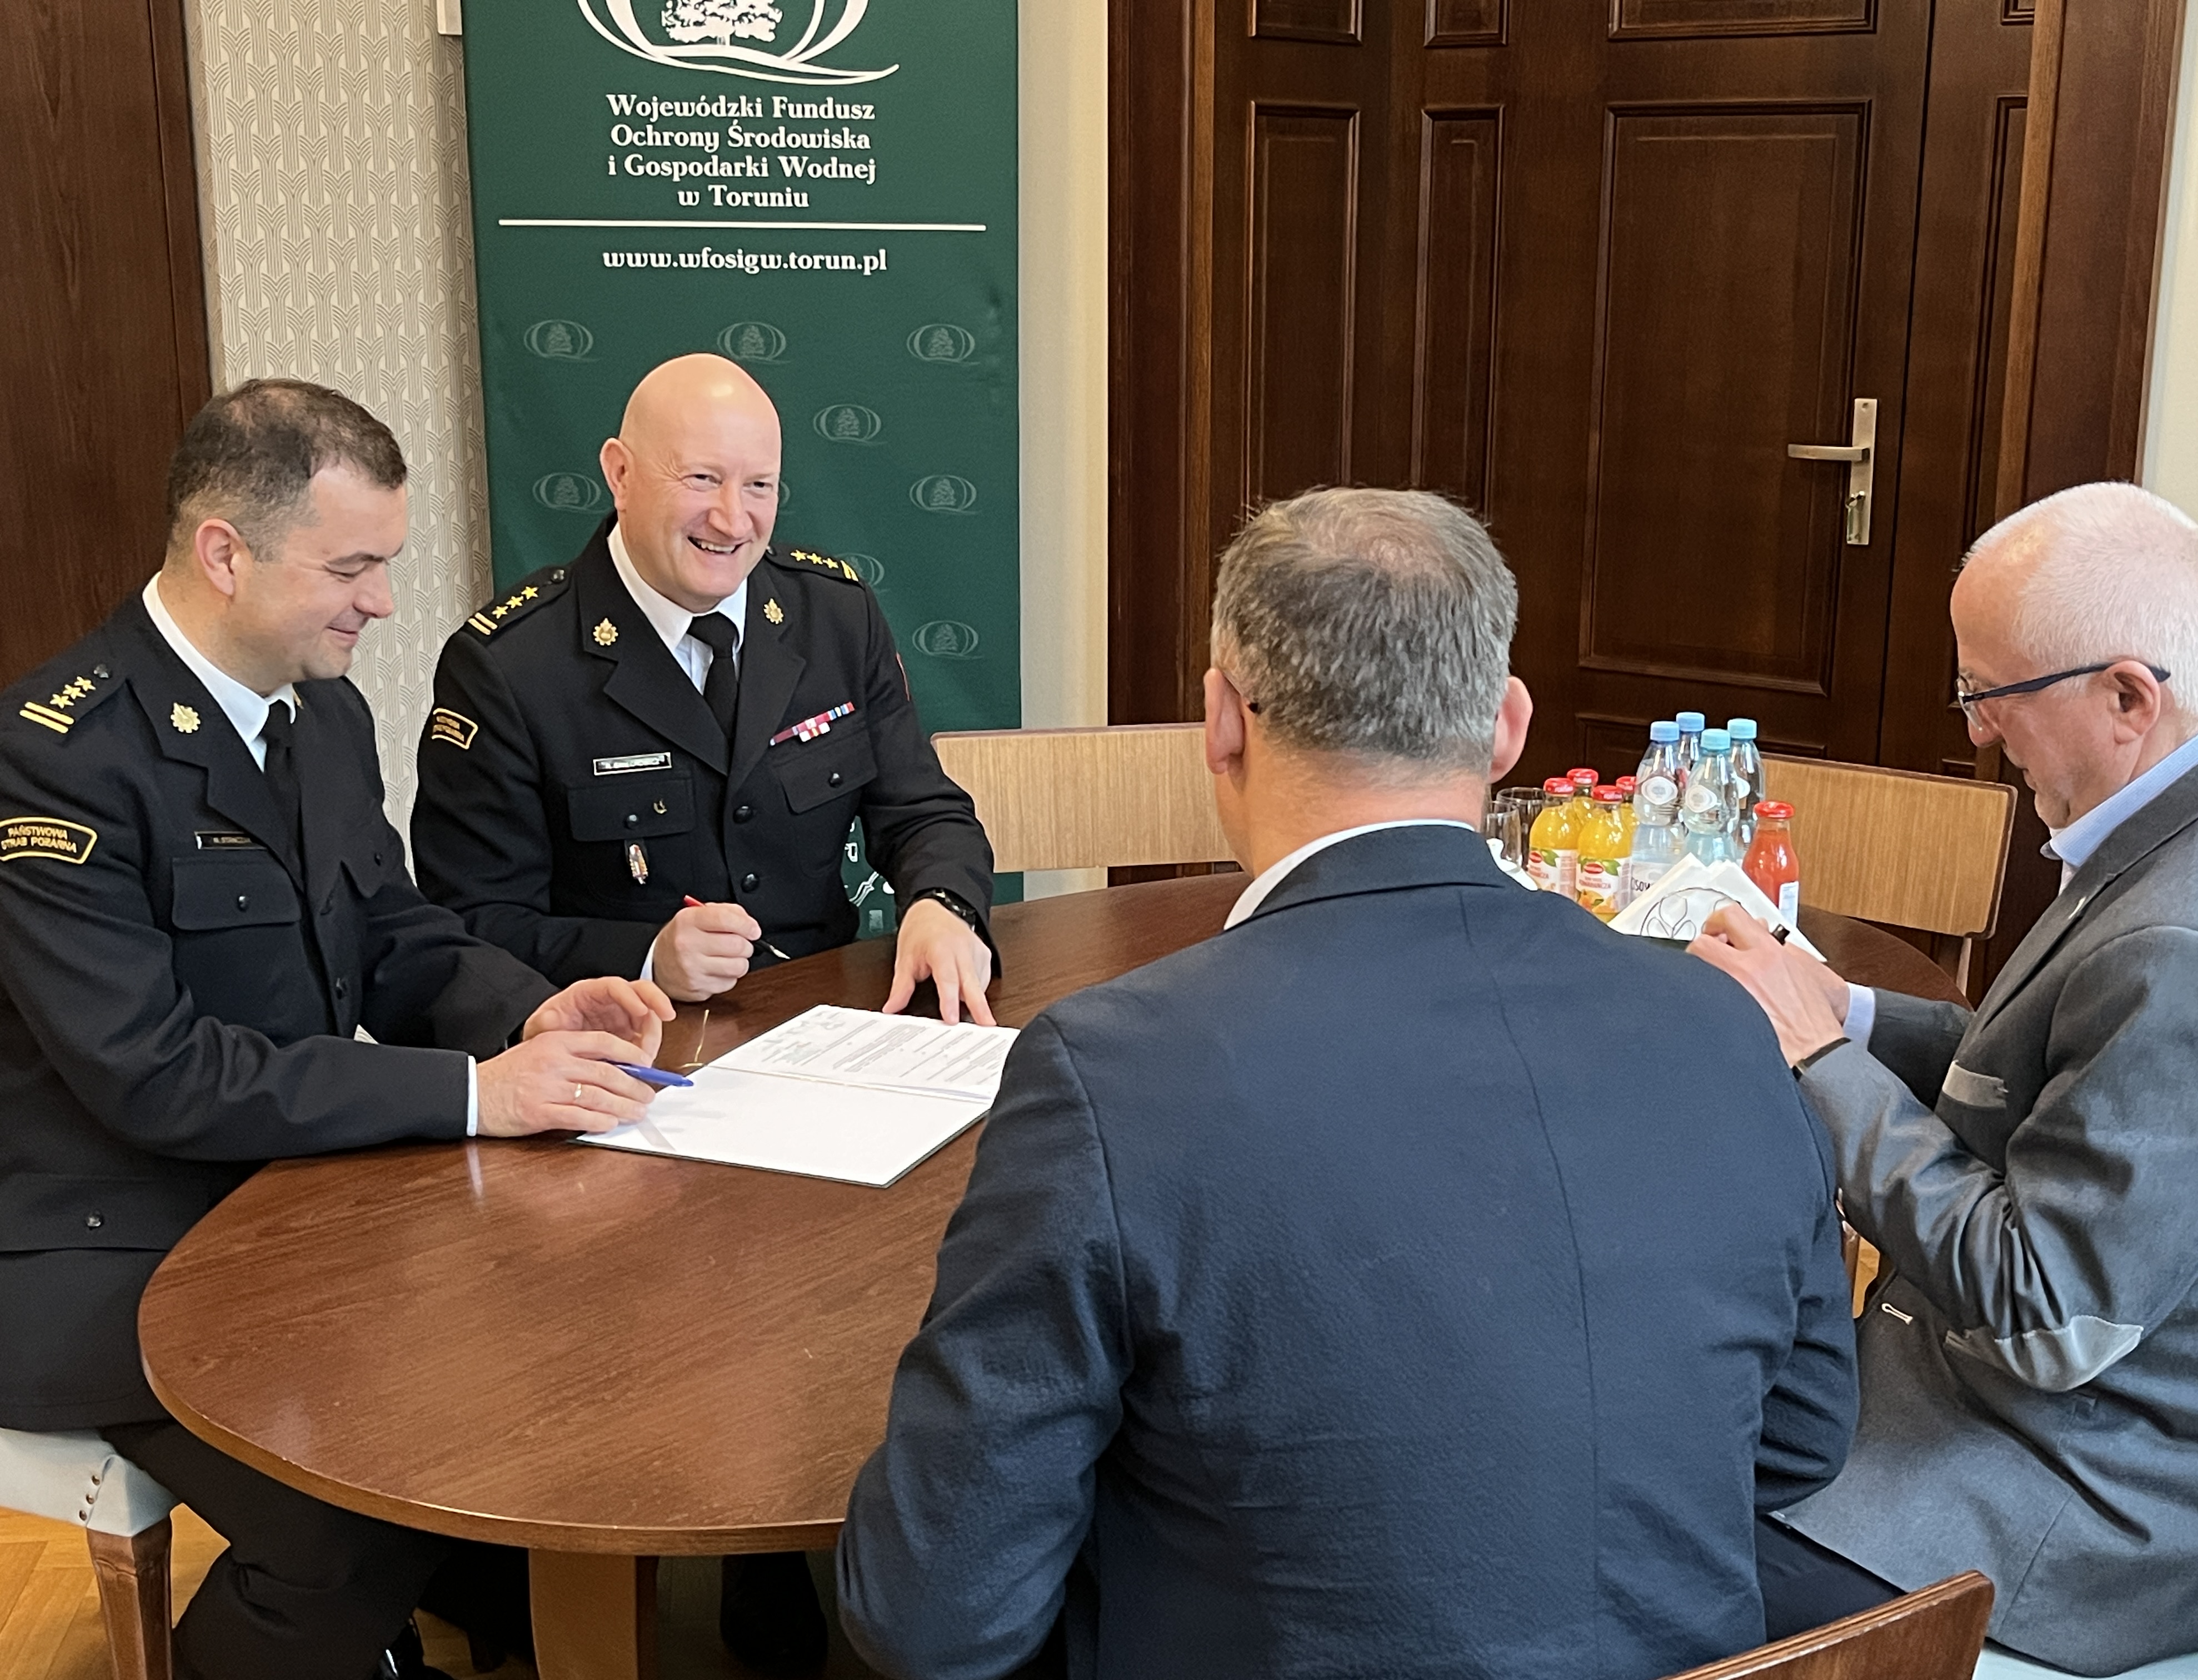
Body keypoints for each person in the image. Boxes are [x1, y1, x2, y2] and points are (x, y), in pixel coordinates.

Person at [835, 488, 1859, 1680]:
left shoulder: (1109, 1073)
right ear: (1508, 727)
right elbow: (1799, 1442)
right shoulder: (1724, 1027)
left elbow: (936, 1613)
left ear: (1223, 722)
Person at [0, 380, 676, 1680]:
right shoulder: (60, 757)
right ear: (225, 553)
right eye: (353, 568)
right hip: (110, 1244)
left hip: (295, 1209)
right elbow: (154, 1075)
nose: (384, 602)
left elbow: (390, 935)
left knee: (526, 1423)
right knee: (345, 1532)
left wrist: (527, 1009)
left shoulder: (324, 712)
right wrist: (480, 1093)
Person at [409, 352, 997, 1673]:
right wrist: (642, 953)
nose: (734, 519)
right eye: (701, 480)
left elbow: (924, 808)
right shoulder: (511, 666)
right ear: (619, 474)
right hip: (633, 1097)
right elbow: (454, 931)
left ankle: (820, 1539)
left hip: (831, 1075)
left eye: (760, 486)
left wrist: (941, 900)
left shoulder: (831, 617)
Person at [1694, 482, 2198, 1673]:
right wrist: (1847, 1010)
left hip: (2067, 1494)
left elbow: (2050, 1312)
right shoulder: (2188, 822)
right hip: (1975, 1400)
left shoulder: (2191, 941)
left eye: (1992, 694)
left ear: (2129, 697)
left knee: (1640, 1547)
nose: (1979, 731)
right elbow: (2051, 1076)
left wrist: (1817, 1060)